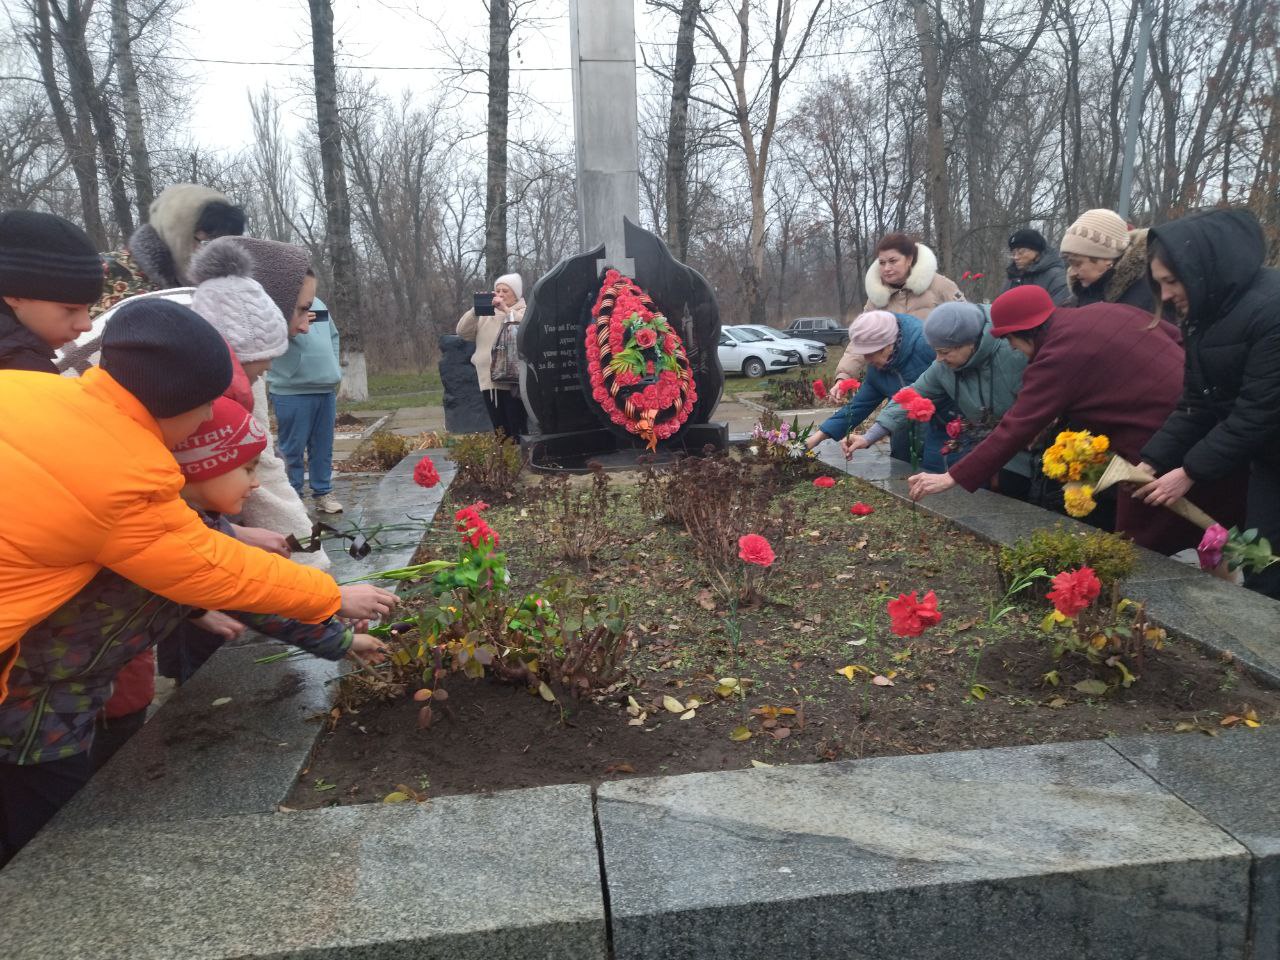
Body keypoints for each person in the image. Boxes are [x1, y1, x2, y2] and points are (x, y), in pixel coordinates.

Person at [0, 397, 389, 863]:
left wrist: (191, 609)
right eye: (245, 469)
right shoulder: (173, 532)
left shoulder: (188, 523)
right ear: (200, 468)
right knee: (48, 830)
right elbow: (254, 597)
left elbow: (158, 590)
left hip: (62, 689)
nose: (256, 481)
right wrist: (342, 635)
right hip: (37, 701)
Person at [0, 296, 396, 705]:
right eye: (205, 404)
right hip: (38, 697)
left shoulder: (40, 391)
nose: (208, 418)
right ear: (174, 401)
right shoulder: (124, 474)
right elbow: (216, 571)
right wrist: (332, 597)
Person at [908, 285, 1242, 553]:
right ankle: (1228, 592)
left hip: (1155, 440)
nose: (1013, 348)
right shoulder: (1105, 311)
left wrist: (951, 477)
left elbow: (1015, 426)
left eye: (1010, 340)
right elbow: (1176, 338)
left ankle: (1143, 609)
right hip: (1202, 416)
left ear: (1025, 332)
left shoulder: (1056, 355)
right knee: (1217, 526)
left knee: (1138, 541)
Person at [1136, 208, 1280, 598]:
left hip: (1267, 442)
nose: (1165, 295)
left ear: (1202, 268)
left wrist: (1189, 471)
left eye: (1171, 281)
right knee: (1262, 564)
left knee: (1268, 567)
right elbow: (1195, 404)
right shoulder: (1205, 313)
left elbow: (1259, 411)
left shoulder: (1270, 310)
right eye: (1159, 283)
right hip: (1269, 461)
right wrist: (1152, 461)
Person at [846, 302, 1031, 497]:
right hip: (997, 449)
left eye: (944, 352)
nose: (939, 359)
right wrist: (869, 437)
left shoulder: (1013, 353)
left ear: (970, 342)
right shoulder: (944, 367)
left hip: (1034, 444)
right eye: (936, 351)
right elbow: (912, 395)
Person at [804, 310, 949, 472]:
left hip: (943, 428)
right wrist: (815, 439)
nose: (867, 360)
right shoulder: (877, 369)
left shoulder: (926, 345)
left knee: (941, 476)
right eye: (864, 354)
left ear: (889, 344)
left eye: (871, 353)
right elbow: (858, 406)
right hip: (900, 430)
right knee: (903, 475)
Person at [833, 233, 964, 394]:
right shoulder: (876, 298)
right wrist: (844, 375)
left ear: (909, 259)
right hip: (900, 383)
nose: (887, 268)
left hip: (943, 378)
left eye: (893, 261)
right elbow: (860, 340)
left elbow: (967, 325)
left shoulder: (940, 286)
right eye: (882, 263)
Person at [94, 183, 246, 316]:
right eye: (204, 242)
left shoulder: (219, 284)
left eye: (220, 244)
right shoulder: (107, 272)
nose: (210, 253)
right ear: (176, 231)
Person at [266, 294, 343, 515]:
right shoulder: (275, 299)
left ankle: (323, 492)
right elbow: (267, 337)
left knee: (323, 447)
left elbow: (333, 336)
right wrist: (290, 321)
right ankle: (294, 497)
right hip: (292, 390)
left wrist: (334, 367)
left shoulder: (318, 303)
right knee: (292, 448)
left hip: (325, 388)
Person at [0, 210, 103, 373]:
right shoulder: (23, 372)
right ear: (14, 295)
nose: (86, 325)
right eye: (71, 309)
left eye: (87, 308)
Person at [456, 273, 528, 440]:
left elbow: (525, 328)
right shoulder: (485, 314)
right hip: (489, 379)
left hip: (513, 381)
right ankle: (505, 460)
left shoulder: (523, 311)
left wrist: (506, 310)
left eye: (505, 291)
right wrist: (476, 309)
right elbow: (462, 331)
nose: (500, 295)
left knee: (516, 426)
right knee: (499, 428)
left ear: (516, 294)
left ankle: (521, 459)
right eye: (497, 291)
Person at [1060, 209, 1153, 311]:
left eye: (1077, 263)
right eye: (1069, 263)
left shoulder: (1147, 300)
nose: (1072, 273)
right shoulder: (1076, 300)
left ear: (1107, 259)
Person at [1002, 228, 1070, 305]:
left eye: (1021, 252)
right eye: (1013, 253)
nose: (1016, 257)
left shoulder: (1056, 276)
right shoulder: (1013, 277)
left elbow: (1059, 310)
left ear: (1037, 251)